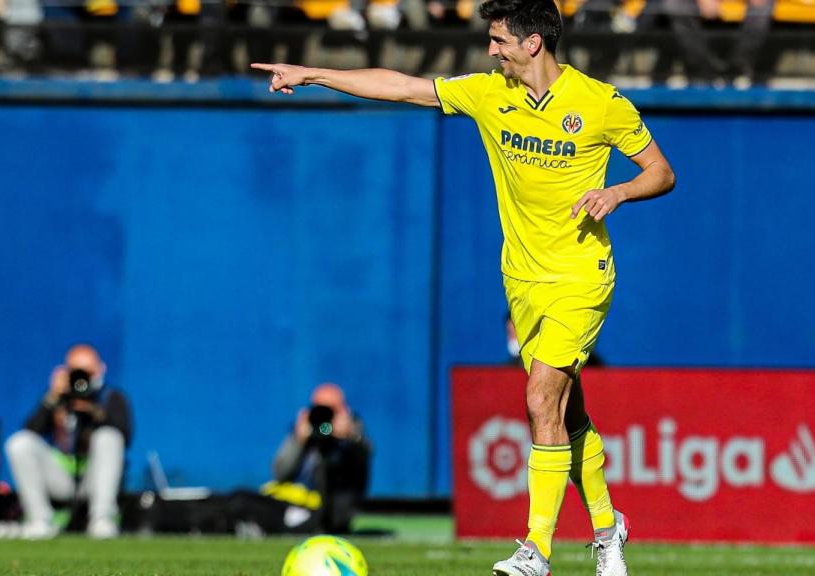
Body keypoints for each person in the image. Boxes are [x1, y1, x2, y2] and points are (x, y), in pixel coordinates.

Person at [252, 0, 675, 573]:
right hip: (523, 280)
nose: (491, 49)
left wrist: (617, 192)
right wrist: (313, 73)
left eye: (500, 39)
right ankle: (607, 528)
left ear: (533, 44)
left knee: (538, 396)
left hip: (581, 276)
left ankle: (536, 550)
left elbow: (661, 172)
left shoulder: (600, 103)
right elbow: (401, 86)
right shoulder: (487, 93)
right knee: (566, 414)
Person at [0, 344, 132, 539]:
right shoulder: (58, 398)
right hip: (61, 478)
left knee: (108, 436)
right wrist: (52, 398)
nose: (82, 378)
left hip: (94, 478)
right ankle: (40, 520)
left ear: (100, 369)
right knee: (19, 443)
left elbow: (123, 435)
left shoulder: (111, 397)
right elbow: (30, 431)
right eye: (76, 371)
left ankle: (102, 519)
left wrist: (92, 409)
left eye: (87, 371)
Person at [225, 382, 371, 536]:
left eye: (331, 410)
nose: (324, 415)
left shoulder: (353, 437)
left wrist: (350, 436)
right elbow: (280, 472)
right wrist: (298, 440)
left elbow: (363, 456)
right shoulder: (308, 434)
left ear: (343, 410)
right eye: (319, 408)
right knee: (239, 499)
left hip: (329, 512)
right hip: (297, 504)